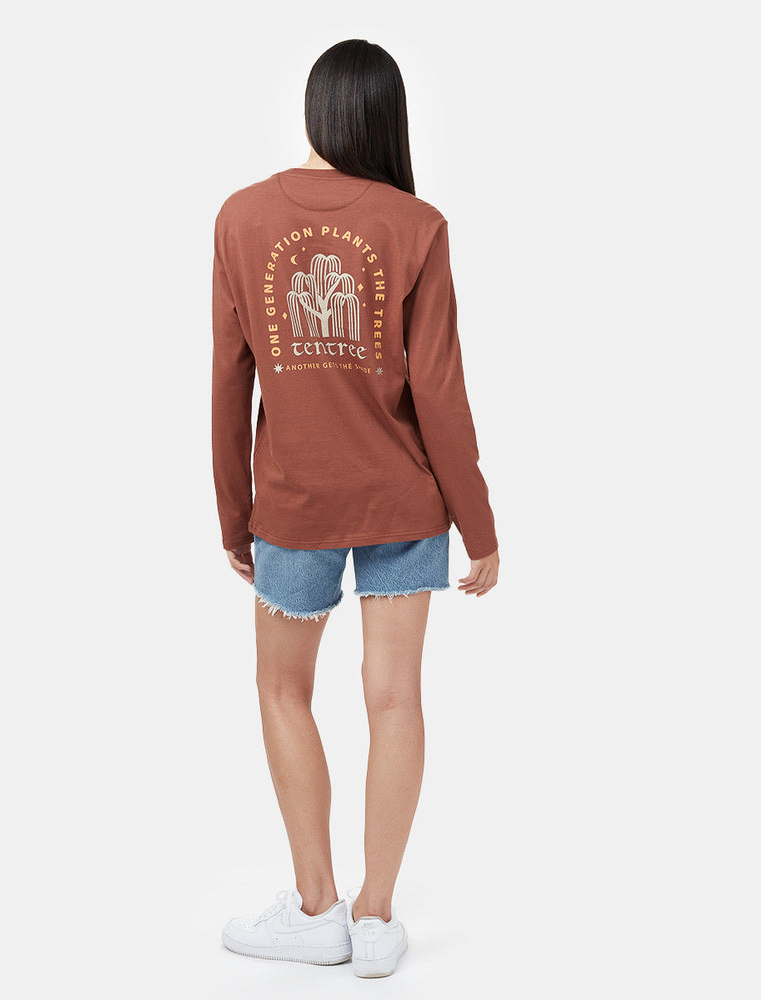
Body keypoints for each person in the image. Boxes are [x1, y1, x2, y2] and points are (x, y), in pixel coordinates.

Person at [212, 39, 500, 978]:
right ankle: (374, 920)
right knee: (395, 697)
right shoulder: (417, 225)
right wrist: (480, 526)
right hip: (404, 501)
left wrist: (233, 515)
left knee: (281, 690)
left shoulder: (241, 218)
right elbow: (441, 392)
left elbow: (229, 382)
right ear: (386, 119)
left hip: (292, 502)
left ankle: (317, 908)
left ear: (315, 109)